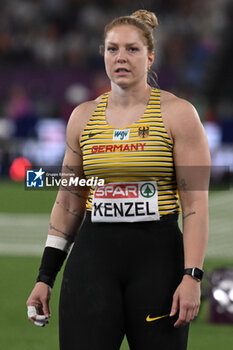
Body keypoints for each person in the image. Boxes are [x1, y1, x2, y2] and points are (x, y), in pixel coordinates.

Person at [26, 9, 210, 350]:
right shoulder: (82, 118)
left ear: (151, 56)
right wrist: (45, 277)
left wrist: (192, 276)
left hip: (159, 266)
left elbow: (196, 205)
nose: (121, 57)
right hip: (93, 262)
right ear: (103, 54)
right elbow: (68, 201)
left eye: (132, 49)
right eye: (113, 49)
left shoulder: (179, 115)